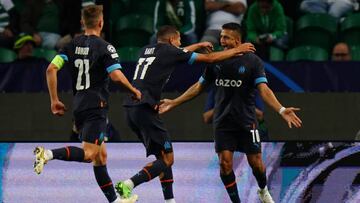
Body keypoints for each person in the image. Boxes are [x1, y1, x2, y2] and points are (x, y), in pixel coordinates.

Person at [159, 22, 302, 203]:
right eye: (221, 36)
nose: (222, 40)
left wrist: (281, 109)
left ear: (237, 40)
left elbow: (264, 90)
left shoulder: (252, 61)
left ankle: (263, 189)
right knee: (225, 164)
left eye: (226, 37)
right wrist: (174, 102)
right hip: (223, 122)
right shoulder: (215, 60)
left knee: (256, 164)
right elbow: (198, 87)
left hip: (246, 121)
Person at [114, 25, 256, 203]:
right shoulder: (170, 51)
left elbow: (177, 52)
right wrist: (239, 50)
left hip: (131, 109)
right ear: (173, 40)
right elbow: (210, 59)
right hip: (145, 108)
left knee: (162, 157)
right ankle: (128, 184)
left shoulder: (146, 50)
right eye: (179, 40)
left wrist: (197, 45)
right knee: (168, 159)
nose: (180, 44)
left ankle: (169, 201)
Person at [33, 5, 141, 203]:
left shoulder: (71, 45)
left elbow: (51, 69)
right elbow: (116, 77)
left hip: (79, 105)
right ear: (100, 23)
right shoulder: (105, 47)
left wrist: (54, 100)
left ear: (83, 23)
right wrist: (133, 90)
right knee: (90, 154)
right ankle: (47, 154)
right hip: (96, 106)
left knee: (101, 157)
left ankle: (115, 201)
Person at [203, 88, 269, 140]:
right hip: (226, 135)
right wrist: (224, 104)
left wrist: (241, 102)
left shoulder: (252, 89)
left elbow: (260, 116)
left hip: (251, 134)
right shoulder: (216, 89)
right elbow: (207, 118)